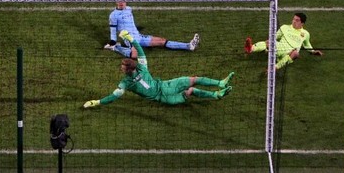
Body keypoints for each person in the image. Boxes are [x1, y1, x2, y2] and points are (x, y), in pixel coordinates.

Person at [84, 30, 233, 108]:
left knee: (190, 91)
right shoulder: (142, 68)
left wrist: (97, 102)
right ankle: (219, 84)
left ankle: (216, 95)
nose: (121, 67)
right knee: (193, 80)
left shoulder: (126, 83)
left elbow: (113, 97)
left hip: (165, 98)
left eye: (122, 66)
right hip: (165, 86)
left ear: (127, 70)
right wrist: (130, 38)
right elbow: (141, 52)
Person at [103, 0, 200, 58]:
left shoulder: (129, 8)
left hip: (139, 36)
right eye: (119, 1)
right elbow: (113, 29)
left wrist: (136, 28)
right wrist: (113, 42)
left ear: (126, 1)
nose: (121, 3)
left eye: (123, 0)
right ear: (116, 1)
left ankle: (188, 46)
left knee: (162, 41)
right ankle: (115, 47)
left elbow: (130, 22)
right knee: (135, 55)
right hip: (130, 39)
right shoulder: (113, 15)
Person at [244, 13, 323, 70]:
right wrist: (270, 45)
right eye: (293, 19)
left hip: (288, 53)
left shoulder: (305, 33)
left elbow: (307, 44)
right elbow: (274, 37)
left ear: (302, 23)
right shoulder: (285, 27)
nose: (294, 21)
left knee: (295, 53)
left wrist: (313, 52)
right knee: (269, 41)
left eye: (297, 20)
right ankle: (251, 48)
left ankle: (275, 67)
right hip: (279, 48)